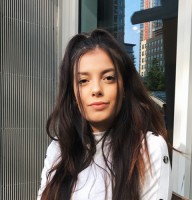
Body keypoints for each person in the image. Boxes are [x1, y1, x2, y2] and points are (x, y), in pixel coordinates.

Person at [37, 29, 172, 200]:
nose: (96, 90)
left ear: (124, 87)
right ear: (73, 94)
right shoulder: (60, 147)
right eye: (83, 81)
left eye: (108, 78)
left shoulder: (149, 148)